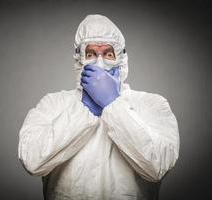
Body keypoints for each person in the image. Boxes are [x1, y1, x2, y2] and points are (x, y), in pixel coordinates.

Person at [18, 14, 180, 200]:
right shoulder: (54, 104)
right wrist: (84, 110)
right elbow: (32, 162)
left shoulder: (152, 105)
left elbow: (157, 167)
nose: (99, 62)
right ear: (79, 59)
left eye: (108, 54)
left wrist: (113, 105)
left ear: (121, 58)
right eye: (91, 54)